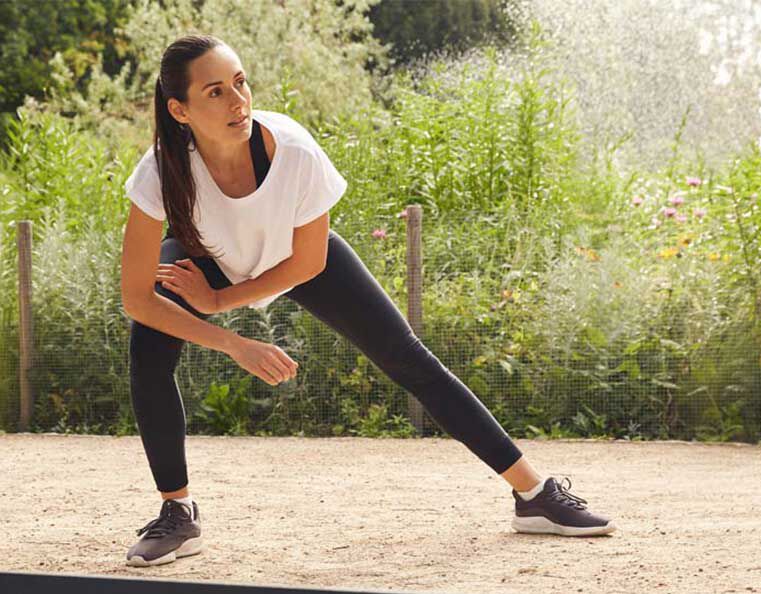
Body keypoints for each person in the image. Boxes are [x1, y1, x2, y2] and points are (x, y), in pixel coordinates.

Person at [120, 34, 616, 567]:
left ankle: (534, 495)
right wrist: (232, 342)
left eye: (240, 82)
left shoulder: (293, 150)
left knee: (407, 357)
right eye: (214, 92)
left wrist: (219, 302)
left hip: (292, 252)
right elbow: (137, 298)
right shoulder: (159, 172)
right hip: (206, 256)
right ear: (180, 110)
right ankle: (178, 513)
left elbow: (307, 264)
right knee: (149, 352)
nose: (237, 100)